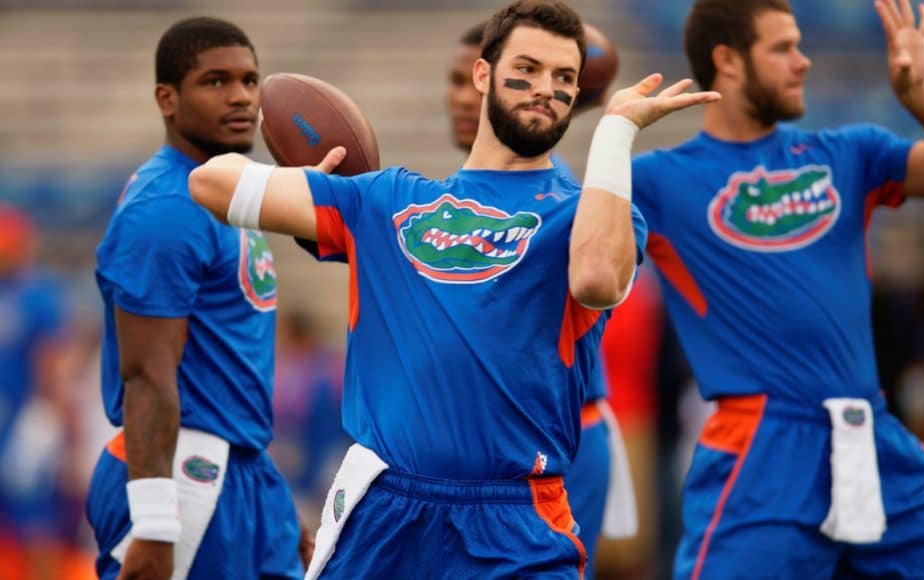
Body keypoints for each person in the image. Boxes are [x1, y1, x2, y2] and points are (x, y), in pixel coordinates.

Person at [189, 1, 718, 577]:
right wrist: (309, 184)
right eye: (529, 68)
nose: (546, 88)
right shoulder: (386, 200)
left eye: (564, 78)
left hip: (514, 519)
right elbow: (210, 182)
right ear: (484, 75)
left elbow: (597, 280)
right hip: (385, 511)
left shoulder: (585, 214)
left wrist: (615, 133)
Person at [630, 0, 924, 578]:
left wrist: (919, 97)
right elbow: (588, 264)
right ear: (727, 61)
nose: (803, 62)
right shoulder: (657, 179)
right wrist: (612, 132)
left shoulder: (848, 152)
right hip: (762, 446)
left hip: (872, 433)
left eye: (801, 45)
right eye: (783, 48)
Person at [85, 17, 308, 580]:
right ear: (167, 98)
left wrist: (266, 491)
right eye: (215, 82)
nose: (240, 97)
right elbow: (148, 375)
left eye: (249, 80)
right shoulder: (165, 208)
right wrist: (157, 523)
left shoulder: (227, 191)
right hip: (185, 476)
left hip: (242, 470)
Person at [444, 21, 637, 574]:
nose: (463, 96)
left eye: (470, 80)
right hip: (502, 451)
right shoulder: (450, 196)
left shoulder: (558, 193)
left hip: (555, 444)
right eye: (456, 80)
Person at [0, 205, 75, 580]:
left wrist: (52, 420)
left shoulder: (37, 294)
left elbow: (53, 363)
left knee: (34, 518)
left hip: (24, 422)